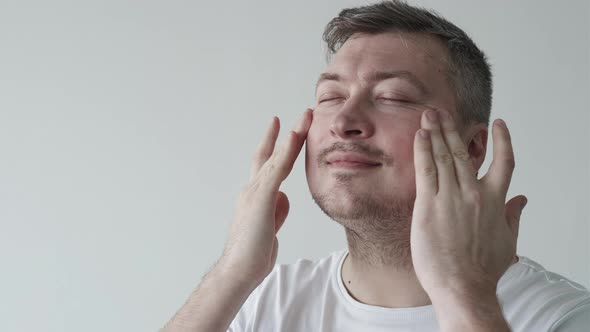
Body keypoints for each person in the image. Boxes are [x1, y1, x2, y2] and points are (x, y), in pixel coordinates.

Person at [161, 1, 590, 331]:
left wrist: (463, 293)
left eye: (394, 97)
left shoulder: (561, 317)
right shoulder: (264, 301)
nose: (345, 121)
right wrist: (234, 271)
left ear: (473, 147)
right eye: (330, 97)